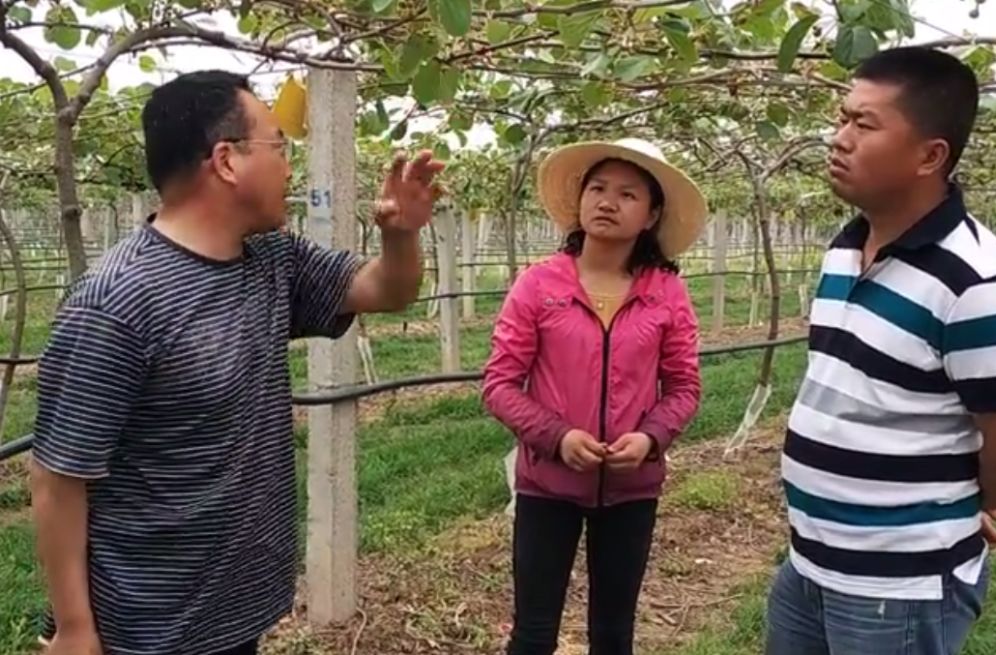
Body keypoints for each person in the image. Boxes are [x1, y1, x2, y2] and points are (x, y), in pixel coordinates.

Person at [29, 70, 443, 655]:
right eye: (278, 146)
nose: (289, 165)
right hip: (146, 628)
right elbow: (57, 478)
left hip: (234, 607)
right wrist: (75, 629)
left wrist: (401, 234)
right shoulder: (118, 303)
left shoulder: (272, 259)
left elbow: (386, 291)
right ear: (226, 161)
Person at [765, 47, 996, 654]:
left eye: (863, 124)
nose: (838, 138)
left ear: (930, 155)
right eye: (842, 118)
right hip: (809, 562)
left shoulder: (975, 288)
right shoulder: (847, 247)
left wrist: (951, 506)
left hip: (898, 588)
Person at [482, 137, 704, 655]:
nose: (608, 201)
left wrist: (649, 440)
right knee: (534, 633)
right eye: (598, 188)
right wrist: (556, 437)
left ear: (650, 216)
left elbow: (685, 386)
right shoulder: (539, 285)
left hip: (632, 489)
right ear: (580, 203)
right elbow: (499, 383)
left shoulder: (666, 292)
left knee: (612, 632)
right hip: (547, 485)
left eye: (628, 194)